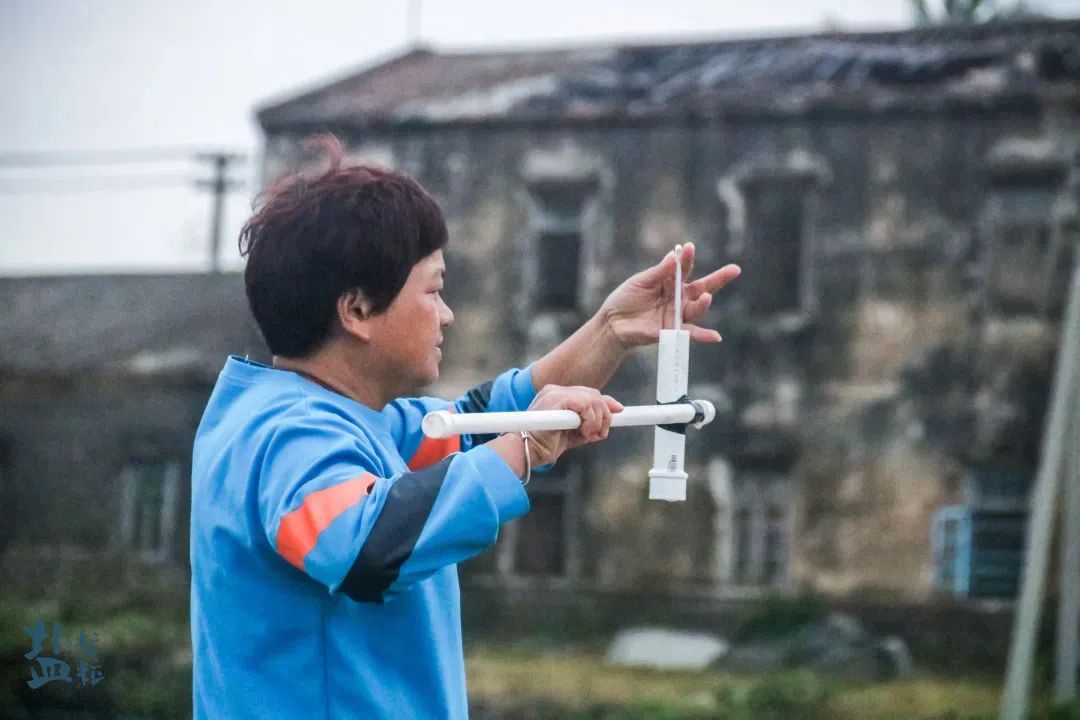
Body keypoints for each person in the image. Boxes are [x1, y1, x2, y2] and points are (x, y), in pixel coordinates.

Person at [189, 136, 740, 719]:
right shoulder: (289, 435)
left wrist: (610, 330)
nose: (447, 314)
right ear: (357, 311)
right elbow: (363, 545)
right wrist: (526, 448)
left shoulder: (354, 425)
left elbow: (490, 422)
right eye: (434, 290)